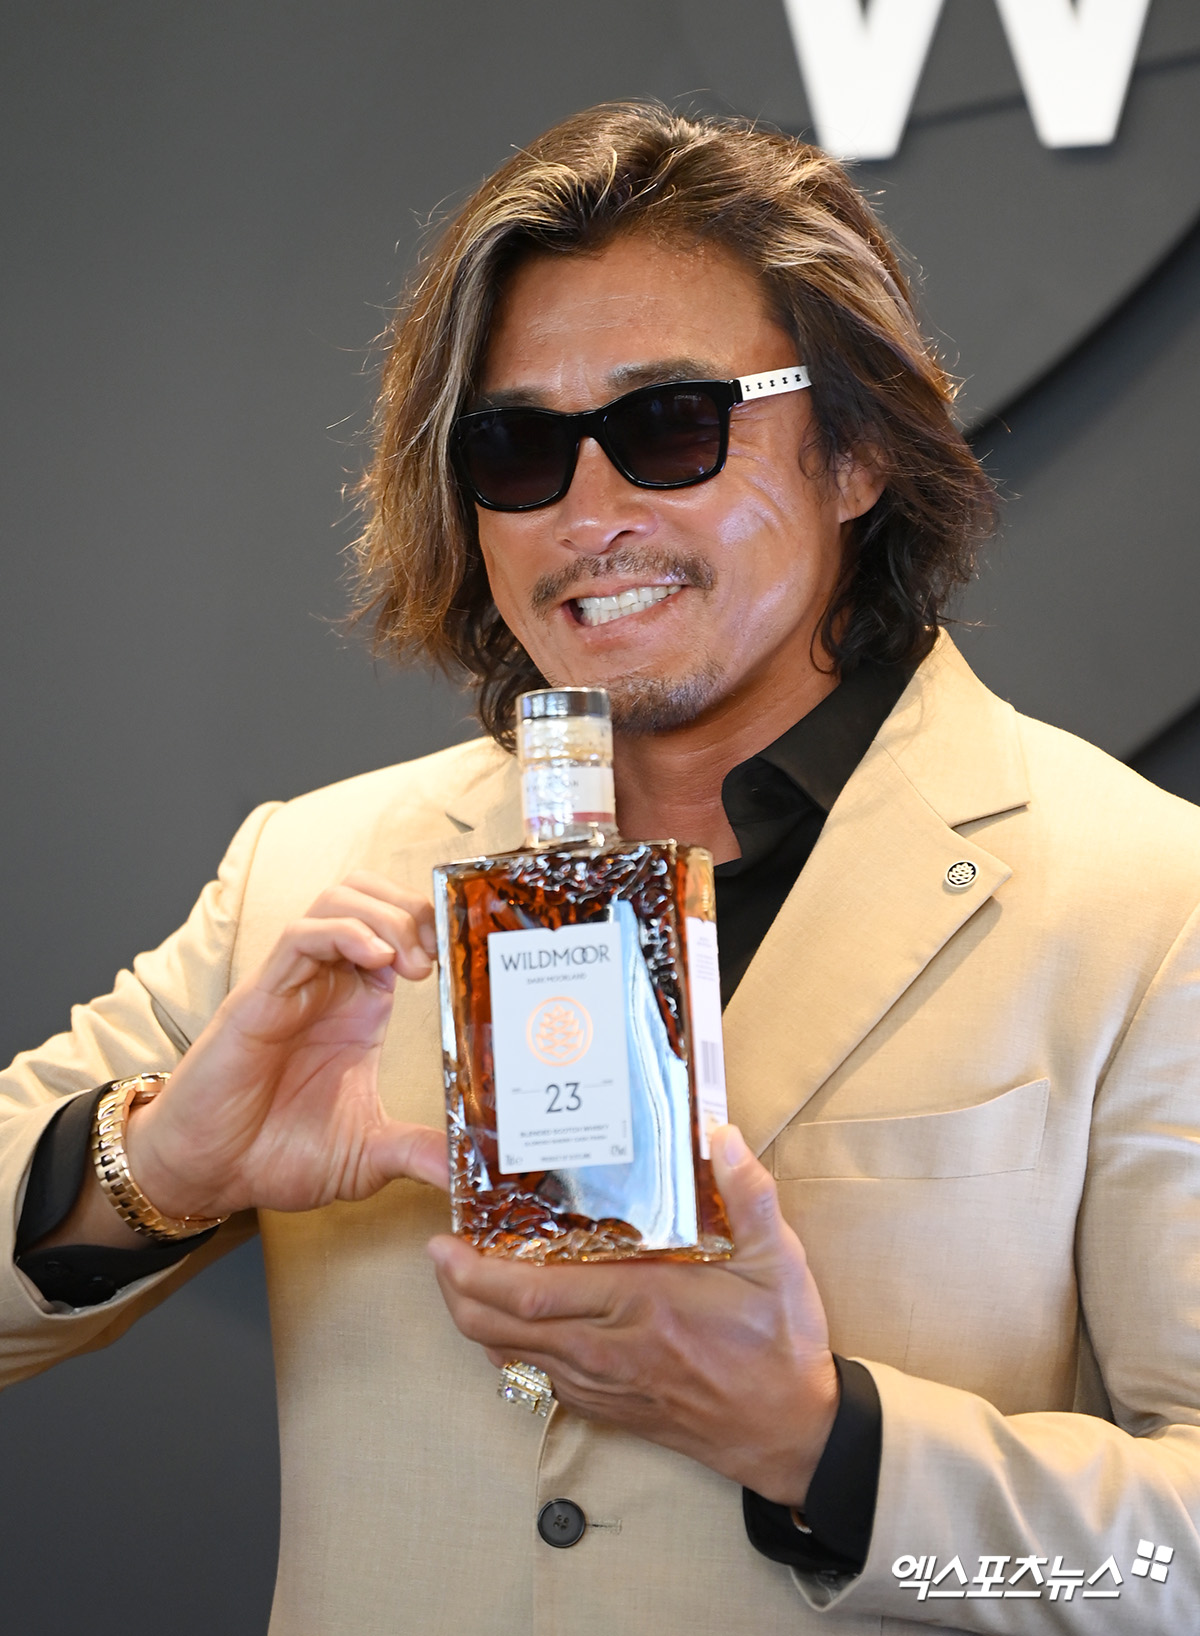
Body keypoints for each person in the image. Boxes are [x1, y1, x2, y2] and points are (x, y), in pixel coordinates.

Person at [2, 101, 1199, 1633]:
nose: (587, 516)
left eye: (669, 427)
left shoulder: (1146, 899)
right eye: (515, 449)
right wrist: (157, 1169)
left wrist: (826, 1449)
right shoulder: (315, 873)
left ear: (855, 452)